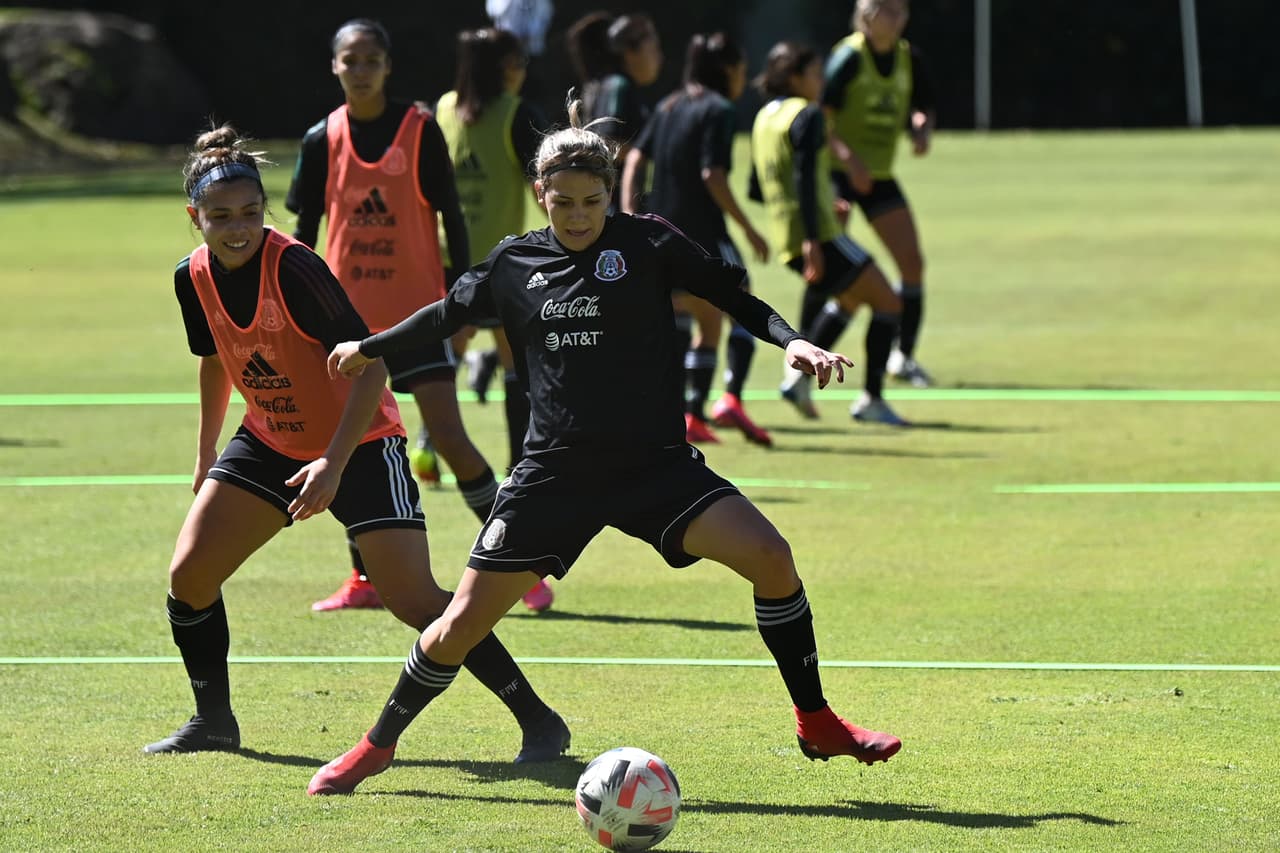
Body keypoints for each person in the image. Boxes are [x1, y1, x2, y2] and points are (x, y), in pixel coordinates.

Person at [306, 98, 902, 796]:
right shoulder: (514, 262)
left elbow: (731, 296)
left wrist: (792, 341)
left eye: (591, 202)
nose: (578, 215)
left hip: (655, 467)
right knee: (458, 623)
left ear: (610, 193)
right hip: (553, 476)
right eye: (563, 203)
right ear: (541, 194)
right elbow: (446, 313)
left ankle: (816, 720)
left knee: (772, 558)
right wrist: (368, 345)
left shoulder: (648, 243)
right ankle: (376, 746)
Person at [146, 124, 569, 762]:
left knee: (415, 599)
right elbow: (213, 358)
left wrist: (333, 463)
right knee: (190, 576)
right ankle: (213, 722)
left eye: (251, 213)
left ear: (266, 210)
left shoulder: (295, 268)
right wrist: (207, 454)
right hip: (268, 440)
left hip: (363, 441)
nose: (238, 228)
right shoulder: (193, 276)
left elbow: (371, 367)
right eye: (221, 216)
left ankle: (538, 720)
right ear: (194, 216)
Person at [285, 19, 553, 613]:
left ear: (388, 66)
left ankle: (521, 562)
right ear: (334, 66)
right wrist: (292, 299)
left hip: (417, 317)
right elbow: (303, 230)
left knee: (450, 439)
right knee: (354, 447)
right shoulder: (320, 137)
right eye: (350, 60)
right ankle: (364, 578)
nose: (361, 71)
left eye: (371, 60)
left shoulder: (419, 128)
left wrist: (461, 294)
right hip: (346, 328)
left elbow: (450, 213)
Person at [621, 31, 772, 447]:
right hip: (702, 233)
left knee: (686, 320)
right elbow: (712, 174)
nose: (743, 78)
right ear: (727, 69)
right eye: (741, 69)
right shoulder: (719, 109)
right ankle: (728, 399)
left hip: (661, 236)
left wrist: (631, 216)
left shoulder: (669, 104)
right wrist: (747, 227)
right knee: (741, 305)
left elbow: (634, 158)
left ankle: (685, 413)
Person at [749, 40, 908, 425]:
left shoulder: (763, 118)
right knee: (889, 303)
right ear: (794, 77)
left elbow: (758, 187)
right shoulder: (807, 114)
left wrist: (821, 204)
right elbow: (804, 178)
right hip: (818, 235)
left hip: (787, 234)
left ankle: (798, 380)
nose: (821, 81)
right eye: (816, 74)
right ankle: (870, 399)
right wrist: (813, 234)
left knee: (850, 299)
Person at [436, 27, 548, 472]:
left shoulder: (442, 107)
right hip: (499, 263)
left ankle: (428, 443)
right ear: (503, 68)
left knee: (446, 357)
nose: (522, 72)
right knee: (516, 363)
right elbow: (545, 187)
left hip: (447, 257)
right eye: (519, 63)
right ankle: (520, 464)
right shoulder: (516, 114)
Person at [823, 0, 937, 387]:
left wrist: (921, 128)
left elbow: (922, 106)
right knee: (830, 267)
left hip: (879, 174)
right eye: (890, 9)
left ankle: (903, 357)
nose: (900, 16)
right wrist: (848, 159)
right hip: (838, 173)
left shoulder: (909, 58)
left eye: (903, 9)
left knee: (912, 263)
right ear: (869, 14)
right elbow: (820, 118)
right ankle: (802, 353)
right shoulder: (848, 58)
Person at [567, 11, 662, 210]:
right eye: (654, 49)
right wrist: (649, 150)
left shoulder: (612, 84)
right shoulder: (618, 86)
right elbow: (605, 145)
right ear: (630, 52)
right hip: (614, 208)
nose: (660, 57)